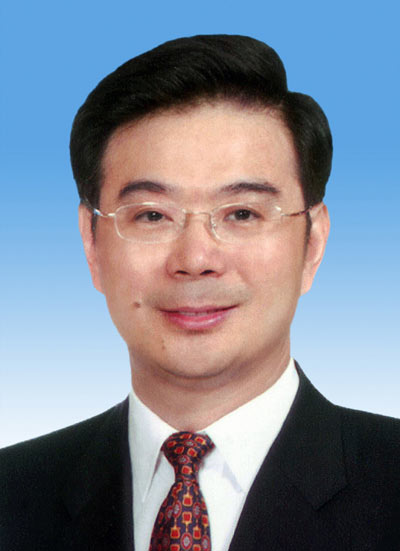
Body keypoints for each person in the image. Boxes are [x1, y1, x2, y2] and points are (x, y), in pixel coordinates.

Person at [1, 34, 399, 551]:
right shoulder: (12, 494)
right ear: (91, 243)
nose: (195, 259)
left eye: (242, 214)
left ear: (313, 243)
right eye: (152, 216)